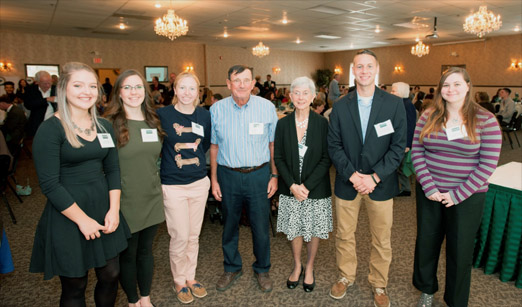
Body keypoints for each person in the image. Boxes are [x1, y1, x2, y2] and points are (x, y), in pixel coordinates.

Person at [29, 62, 130, 306]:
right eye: (78, 85)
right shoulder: (50, 129)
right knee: (76, 285)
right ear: (63, 88)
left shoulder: (104, 126)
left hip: (103, 208)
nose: (87, 91)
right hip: (69, 213)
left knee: (111, 274)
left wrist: (114, 209)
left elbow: (113, 169)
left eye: (92, 86)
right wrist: (82, 220)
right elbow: (50, 185)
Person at [411, 67, 502, 307]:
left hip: (467, 197)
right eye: (446, 85)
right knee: (426, 245)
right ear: (440, 89)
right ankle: (426, 290)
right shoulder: (428, 115)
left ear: (468, 86)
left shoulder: (485, 120)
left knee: (460, 252)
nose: (451, 89)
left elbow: (488, 164)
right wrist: (429, 186)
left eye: (457, 84)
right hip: (429, 193)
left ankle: (455, 300)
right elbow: (417, 151)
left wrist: (458, 194)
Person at [328, 49, 406, 307]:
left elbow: (398, 147)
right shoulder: (340, 106)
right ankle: (345, 276)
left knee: (382, 238)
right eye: (359, 67)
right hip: (347, 182)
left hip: (380, 184)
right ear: (354, 71)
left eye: (368, 66)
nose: (363, 71)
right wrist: (353, 175)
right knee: (344, 235)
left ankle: (379, 283)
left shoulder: (394, 104)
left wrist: (373, 177)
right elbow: (334, 146)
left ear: (376, 69)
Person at [210, 65, 278, 293]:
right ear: (228, 83)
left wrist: (274, 175)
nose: (241, 84)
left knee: (260, 226)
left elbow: (272, 145)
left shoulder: (267, 108)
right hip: (228, 175)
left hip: (259, 175)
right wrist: (214, 179)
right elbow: (213, 146)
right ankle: (231, 266)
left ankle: (262, 268)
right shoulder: (216, 110)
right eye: (236, 80)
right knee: (229, 225)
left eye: (246, 80)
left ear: (253, 84)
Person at [104, 69, 165, 307]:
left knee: (146, 252)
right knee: (128, 255)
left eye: (138, 87)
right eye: (127, 87)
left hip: (151, 196)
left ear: (145, 91)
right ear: (119, 92)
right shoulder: (109, 124)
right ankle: (132, 301)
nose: (133, 92)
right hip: (123, 200)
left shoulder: (154, 120)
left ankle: (146, 299)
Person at [157, 72, 211, 304]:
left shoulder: (204, 115)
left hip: (199, 182)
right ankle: (179, 279)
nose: (187, 93)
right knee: (179, 235)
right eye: (183, 88)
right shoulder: (163, 115)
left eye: (192, 88)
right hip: (173, 185)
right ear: (175, 90)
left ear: (198, 92)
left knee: (193, 235)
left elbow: (205, 145)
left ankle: (191, 276)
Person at [274, 76, 332, 293]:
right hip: (290, 189)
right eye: (296, 93)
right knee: (294, 228)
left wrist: (306, 186)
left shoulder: (321, 124)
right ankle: (297, 265)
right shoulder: (282, 124)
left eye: (305, 93)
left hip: (315, 189)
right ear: (290, 97)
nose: (300, 97)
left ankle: (309, 268)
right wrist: (292, 186)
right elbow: (278, 157)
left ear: (313, 97)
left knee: (314, 229)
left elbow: (327, 158)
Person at [390, 82, 416, 196]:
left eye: (394, 91)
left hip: (403, 143)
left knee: (399, 167)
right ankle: (403, 189)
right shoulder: (400, 103)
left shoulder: (407, 105)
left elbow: (410, 127)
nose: (391, 93)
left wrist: (407, 145)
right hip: (398, 141)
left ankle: (404, 189)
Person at [23, 71, 57, 137]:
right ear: (37, 82)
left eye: (49, 82)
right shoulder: (30, 90)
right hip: (37, 124)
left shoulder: (56, 89)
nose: (48, 85)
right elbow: (28, 105)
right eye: (45, 83)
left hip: (54, 123)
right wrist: (46, 100)